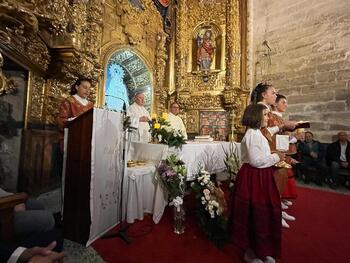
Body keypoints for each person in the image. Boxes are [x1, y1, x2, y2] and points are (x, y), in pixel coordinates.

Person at [230, 104, 284, 263]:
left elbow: (263, 149)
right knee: (255, 214)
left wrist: (273, 155)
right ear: (256, 116)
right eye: (266, 115)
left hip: (261, 177)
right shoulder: (252, 135)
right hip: (253, 178)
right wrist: (277, 157)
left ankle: (263, 249)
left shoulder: (257, 133)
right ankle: (251, 251)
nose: (269, 117)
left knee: (264, 214)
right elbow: (256, 161)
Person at [251, 84, 297, 228]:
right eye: (273, 93)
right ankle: (274, 214)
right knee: (272, 187)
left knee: (276, 185)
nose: (276, 96)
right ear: (264, 95)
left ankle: (277, 211)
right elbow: (263, 133)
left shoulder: (267, 110)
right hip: (267, 153)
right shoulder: (260, 110)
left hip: (274, 151)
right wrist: (282, 127)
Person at [57, 78, 94, 151]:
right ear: (77, 87)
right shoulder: (68, 101)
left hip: (86, 139)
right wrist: (73, 121)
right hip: (72, 138)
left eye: (89, 88)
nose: (87, 91)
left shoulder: (91, 105)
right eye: (85, 87)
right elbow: (61, 121)